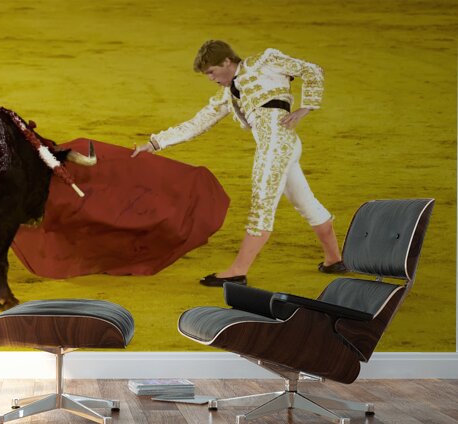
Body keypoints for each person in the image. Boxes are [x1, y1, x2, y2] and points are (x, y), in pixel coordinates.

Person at [132, 40, 345, 287]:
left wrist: (305, 108)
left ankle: (238, 270)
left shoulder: (265, 61)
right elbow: (198, 122)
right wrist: (154, 143)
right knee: (304, 202)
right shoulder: (228, 94)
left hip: (276, 146)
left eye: (212, 72)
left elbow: (313, 70)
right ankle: (333, 259)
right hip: (279, 145)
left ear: (226, 62)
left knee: (262, 205)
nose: (211, 78)